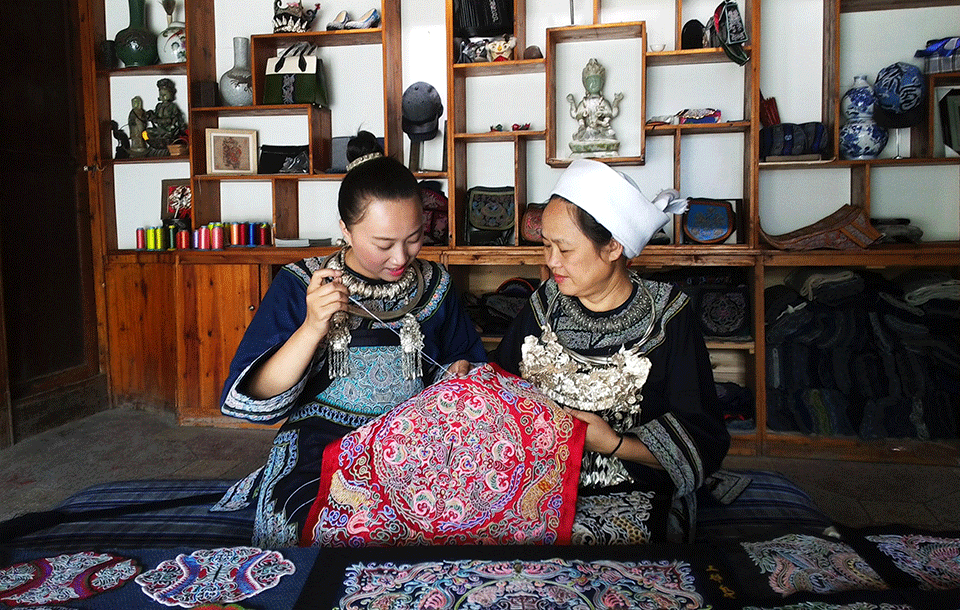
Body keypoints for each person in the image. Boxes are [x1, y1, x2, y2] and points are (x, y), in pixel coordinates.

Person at [217, 131, 487, 548]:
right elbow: (252, 395)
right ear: (344, 228)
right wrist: (312, 327)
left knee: (463, 512)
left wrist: (460, 374)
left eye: (414, 238)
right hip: (322, 446)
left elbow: (468, 361)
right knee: (330, 523)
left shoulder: (436, 284)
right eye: (383, 244)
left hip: (417, 442)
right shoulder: (299, 284)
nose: (401, 257)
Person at [492, 159, 730, 543]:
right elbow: (502, 387)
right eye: (547, 245)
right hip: (540, 479)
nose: (551, 261)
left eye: (565, 249)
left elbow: (701, 437)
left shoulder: (669, 317)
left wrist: (614, 444)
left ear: (614, 245)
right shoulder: (545, 303)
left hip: (629, 486)